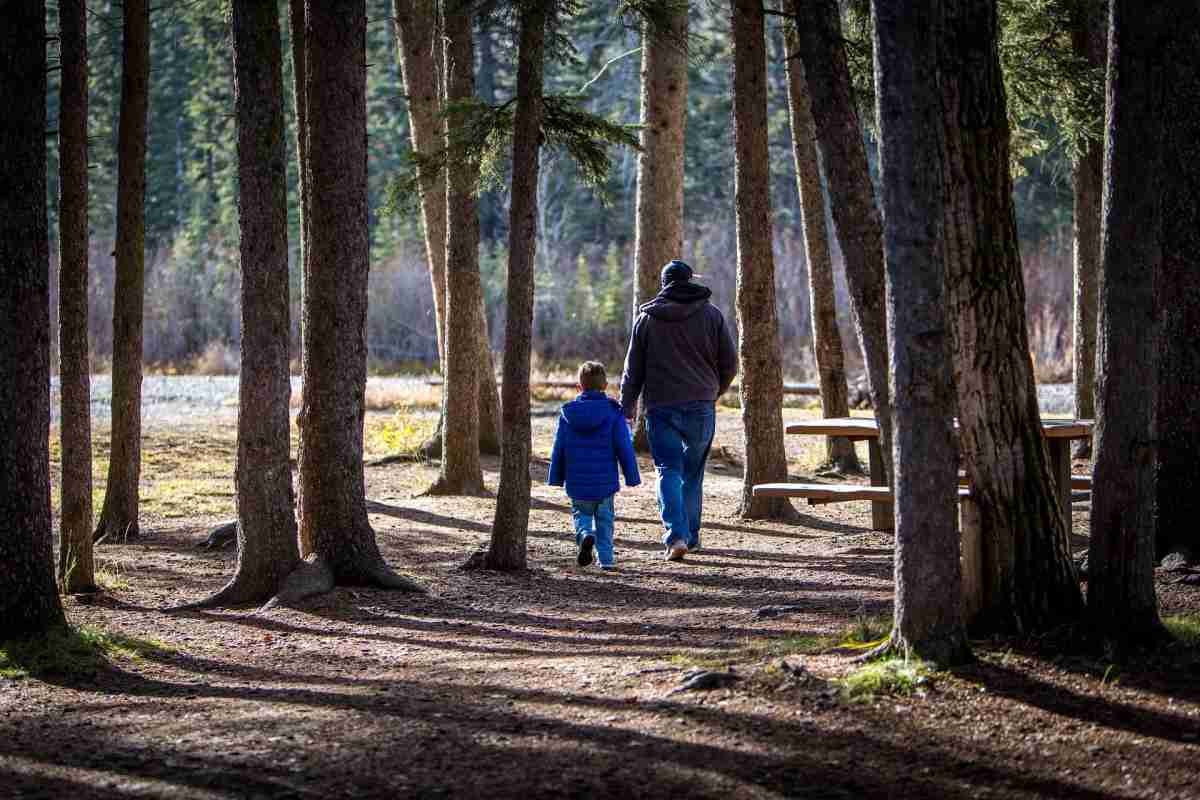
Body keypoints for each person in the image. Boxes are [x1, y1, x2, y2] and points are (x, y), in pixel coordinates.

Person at [620, 260, 737, 561]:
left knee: (668, 470)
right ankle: (691, 537)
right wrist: (714, 391)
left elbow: (633, 371)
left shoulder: (646, 320)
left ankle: (676, 537)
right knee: (693, 473)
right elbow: (730, 363)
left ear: (664, 283)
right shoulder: (712, 315)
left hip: (661, 407)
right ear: (689, 281)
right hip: (701, 405)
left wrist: (627, 405)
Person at [548, 361, 641, 569]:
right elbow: (624, 446)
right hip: (605, 483)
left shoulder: (568, 415)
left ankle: (584, 535)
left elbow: (559, 447)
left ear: (579, 387)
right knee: (605, 520)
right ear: (605, 386)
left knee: (581, 514)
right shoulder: (613, 413)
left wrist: (556, 477)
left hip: (577, 481)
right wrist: (632, 476)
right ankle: (606, 560)